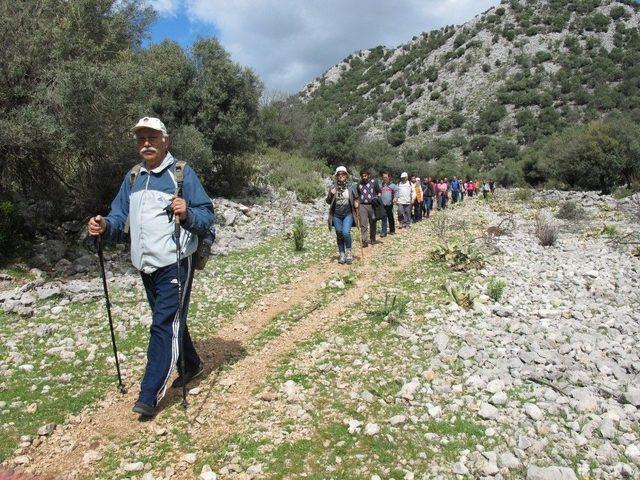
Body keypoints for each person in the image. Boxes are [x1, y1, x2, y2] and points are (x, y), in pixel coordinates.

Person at [87, 117, 215, 418]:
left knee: (161, 325)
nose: (146, 143)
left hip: (176, 262)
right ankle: (192, 364)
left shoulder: (181, 174)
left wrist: (187, 214)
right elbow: (120, 218)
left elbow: (207, 216)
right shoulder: (132, 178)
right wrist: (104, 225)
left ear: (165, 141)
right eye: (141, 138)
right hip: (146, 266)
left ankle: (149, 394)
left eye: (152, 138)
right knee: (169, 322)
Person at [326, 166, 359, 264]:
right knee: (339, 234)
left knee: (345, 233)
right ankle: (342, 254)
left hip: (348, 214)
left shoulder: (351, 186)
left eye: (343, 174)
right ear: (336, 176)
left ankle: (348, 252)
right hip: (336, 215)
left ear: (346, 175)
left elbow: (357, 198)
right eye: (339, 174)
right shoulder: (333, 187)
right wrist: (331, 194)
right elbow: (328, 201)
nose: (341, 176)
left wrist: (357, 203)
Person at [357, 168, 381, 247]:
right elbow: (357, 195)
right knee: (363, 223)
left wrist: (377, 198)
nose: (364, 177)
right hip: (363, 205)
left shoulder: (374, 182)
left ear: (369, 175)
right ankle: (364, 241)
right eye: (362, 176)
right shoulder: (359, 184)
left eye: (365, 175)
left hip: (372, 205)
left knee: (373, 221)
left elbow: (379, 192)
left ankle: (373, 238)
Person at [379, 171, 399, 237]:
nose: (384, 178)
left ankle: (392, 230)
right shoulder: (380, 185)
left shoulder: (392, 185)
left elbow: (397, 191)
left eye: (386, 177)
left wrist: (395, 198)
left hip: (390, 204)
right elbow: (377, 192)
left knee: (390, 218)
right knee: (383, 218)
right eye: (383, 177)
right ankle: (384, 232)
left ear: (389, 177)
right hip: (382, 205)